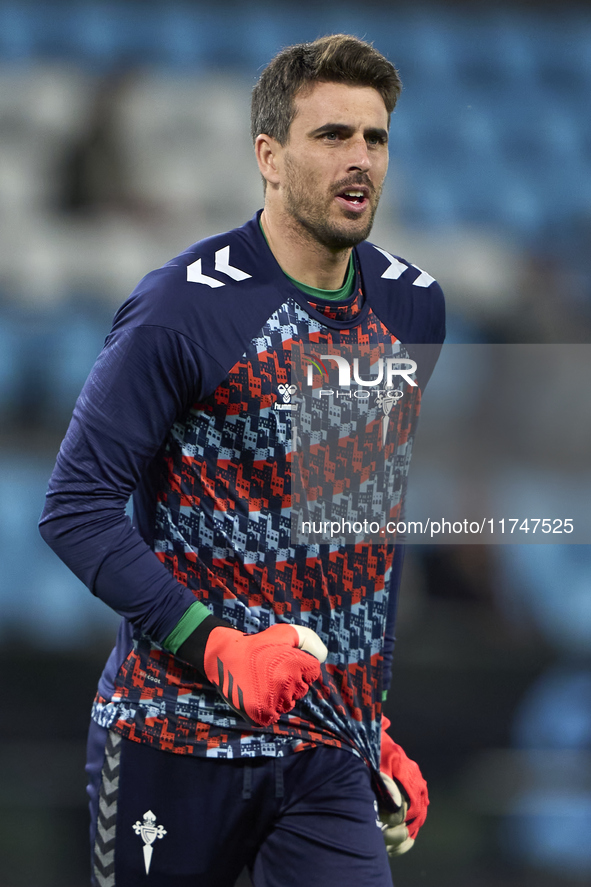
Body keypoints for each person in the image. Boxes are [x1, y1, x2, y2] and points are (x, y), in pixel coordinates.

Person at [40, 34, 445, 887]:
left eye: (373, 138)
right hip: (172, 736)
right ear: (268, 155)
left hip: (322, 749)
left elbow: (339, 533)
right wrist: (217, 643)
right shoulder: (181, 310)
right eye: (331, 135)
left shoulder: (408, 304)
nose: (359, 158)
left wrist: (366, 717)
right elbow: (75, 508)